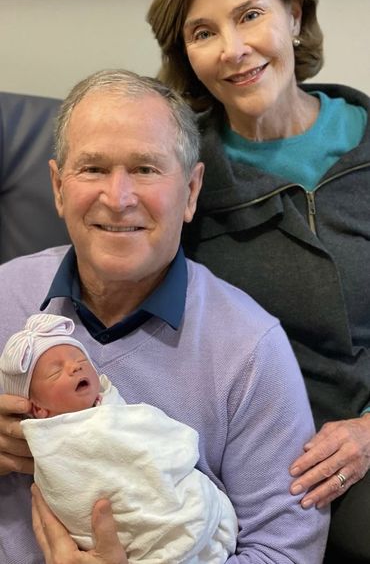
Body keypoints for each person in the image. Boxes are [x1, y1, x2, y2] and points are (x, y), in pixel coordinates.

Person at [0, 68, 329, 564]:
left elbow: (287, 552)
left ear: (192, 190)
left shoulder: (251, 349)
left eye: (146, 169)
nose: (118, 197)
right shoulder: (5, 293)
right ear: (58, 186)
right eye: (92, 168)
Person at [147, 0, 370, 562]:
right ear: (186, 56)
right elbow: (112, 301)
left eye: (249, 15)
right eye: (203, 32)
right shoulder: (176, 172)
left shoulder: (365, 138)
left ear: (294, 15)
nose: (232, 49)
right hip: (278, 461)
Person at [0, 312, 237, 563]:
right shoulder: (53, 445)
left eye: (80, 359)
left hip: (178, 510)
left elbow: (152, 434)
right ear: (38, 410)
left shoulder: (112, 406)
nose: (75, 366)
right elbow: (71, 494)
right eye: (55, 372)